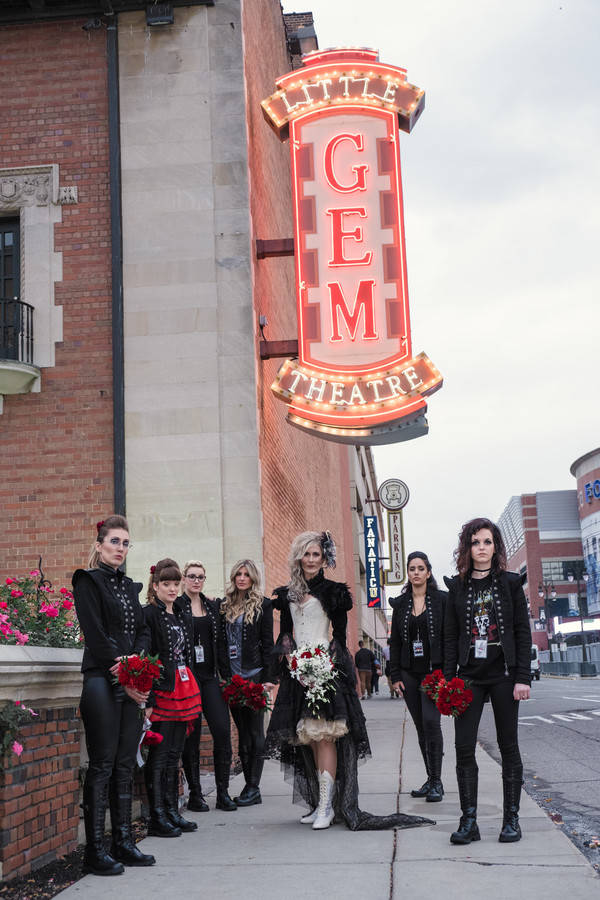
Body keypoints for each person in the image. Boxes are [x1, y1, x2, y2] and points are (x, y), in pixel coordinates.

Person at [264, 530, 435, 832]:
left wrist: (322, 665)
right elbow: (286, 635)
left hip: (325, 669)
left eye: (317, 554)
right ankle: (320, 803)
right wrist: (291, 662)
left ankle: (329, 806)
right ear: (299, 557)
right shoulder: (287, 593)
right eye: (307, 554)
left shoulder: (334, 593)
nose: (312, 559)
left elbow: (340, 638)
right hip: (298, 672)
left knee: (326, 735)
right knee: (309, 737)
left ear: (323, 558)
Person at [73, 515, 155, 876]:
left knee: (125, 763)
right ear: (99, 545)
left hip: (130, 683)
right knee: (103, 764)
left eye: (125, 543)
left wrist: (137, 666)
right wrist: (122, 671)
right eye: (114, 542)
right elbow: (94, 634)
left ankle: (122, 841)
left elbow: (142, 631)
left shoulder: (128, 587)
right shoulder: (87, 581)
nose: (120, 549)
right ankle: (95, 850)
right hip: (100, 681)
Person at [444, 517, 531, 845]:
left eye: (487, 542)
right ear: (467, 547)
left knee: (509, 746)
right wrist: (449, 679)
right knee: (463, 748)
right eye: (475, 542)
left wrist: (523, 677)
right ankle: (469, 822)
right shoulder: (458, 586)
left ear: (496, 547)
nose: (481, 548)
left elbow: (522, 631)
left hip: (504, 676)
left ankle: (511, 819)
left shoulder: (510, 583)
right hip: (469, 678)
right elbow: (451, 636)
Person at [144, 558, 202, 838]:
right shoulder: (150, 615)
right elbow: (146, 657)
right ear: (155, 586)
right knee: (160, 754)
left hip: (184, 686)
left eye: (175, 584)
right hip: (163, 690)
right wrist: (149, 698)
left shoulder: (179, 613)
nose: (171, 588)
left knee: (175, 753)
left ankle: (171, 811)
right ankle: (157, 817)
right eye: (165, 584)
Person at [178, 560, 236, 812]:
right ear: (183, 578)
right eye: (191, 576)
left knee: (222, 730)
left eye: (200, 576)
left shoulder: (213, 607)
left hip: (211, 678)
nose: (196, 580)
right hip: (187, 678)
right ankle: (196, 794)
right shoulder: (176, 606)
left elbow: (222, 642)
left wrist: (227, 675)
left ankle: (223, 792)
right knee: (190, 736)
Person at [389, 551, 446, 803]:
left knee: (432, 723)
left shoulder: (442, 600)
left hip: (434, 672)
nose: (416, 572)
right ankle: (430, 778)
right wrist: (394, 674)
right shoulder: (401, 604)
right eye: (412, 568)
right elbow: (395, 642)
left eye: (420, 568)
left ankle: (437, 782)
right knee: (421, 727)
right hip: (409, 673)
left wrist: (447, 671)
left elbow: (449, 638)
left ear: (428, 572)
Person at [219, 559, 275, 807]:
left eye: (246, 574)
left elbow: (268, 644)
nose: (242, 578)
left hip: (255, 676)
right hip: (233, 678)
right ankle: (248, 785)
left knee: (255, 732)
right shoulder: (224, 606)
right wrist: (223, 674)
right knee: (242, 733)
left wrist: (269, 680)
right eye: (238, 574)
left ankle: (254, 786)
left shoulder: (263, 605)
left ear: (253, 578)